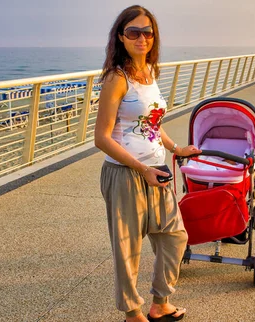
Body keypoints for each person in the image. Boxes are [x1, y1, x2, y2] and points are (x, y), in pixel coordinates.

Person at [94, 5, 201, 322]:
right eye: (134, 32)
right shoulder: (117, 78)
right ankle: (132, 313)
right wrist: (142, 169)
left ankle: (160, 302)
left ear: (154, 38)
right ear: (121, 37)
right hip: (125, 174)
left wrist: (176, 148)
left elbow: (152, 123)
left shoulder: (150, 74)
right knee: (128, 250)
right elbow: (101, 138)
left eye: (147, 32)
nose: (142, 38)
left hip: (158, 171)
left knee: (175, 237)